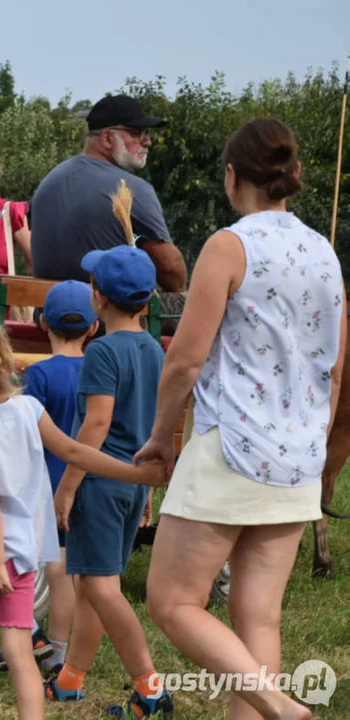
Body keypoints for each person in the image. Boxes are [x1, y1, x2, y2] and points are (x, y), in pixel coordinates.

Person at [136, 118, 345, 720]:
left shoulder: (231, 245)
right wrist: (316, 444)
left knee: (173, 601)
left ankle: (281, 708)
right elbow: (332, 372)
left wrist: (159, 437)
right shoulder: (326, 252)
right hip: (299, 456)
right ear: (291, 175)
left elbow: (185, 359)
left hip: (232, 447)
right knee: (258, 619)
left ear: (232, 176)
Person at [0, 320, 165, 720]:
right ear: (10, 364)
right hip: (19, 555)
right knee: (19, 648)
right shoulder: (31, 410)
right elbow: (75, 452)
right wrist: (138, 475)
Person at [46, 245, 173, 718]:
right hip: (132, 482)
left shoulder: (100, 351)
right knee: (92, 587)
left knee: (101, 590)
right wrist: (145, 491)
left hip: (100, 483)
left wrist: (68, 484)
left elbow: (95, 426)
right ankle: (69, 680)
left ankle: (150, 689)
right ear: (146, 300)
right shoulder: (154, 348)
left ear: (97, 297)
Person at [0, 280, 97, 676]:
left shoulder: (39, 375)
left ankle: (26, 636)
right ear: (94, 327)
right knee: (64, 570)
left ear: (42, 323)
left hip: (43, 488)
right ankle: (59, 650)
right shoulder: (100, 371)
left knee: (19, 564)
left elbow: (21, 433)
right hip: (89, 482)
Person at [29, 94, 187, 331]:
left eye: (147, 135)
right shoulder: (131, 189)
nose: (147, 142)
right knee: (199, 304)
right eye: (137, 134)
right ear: (106, 138)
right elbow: (171, 269)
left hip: (49, 313)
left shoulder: (48, 182)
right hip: (105, 317)